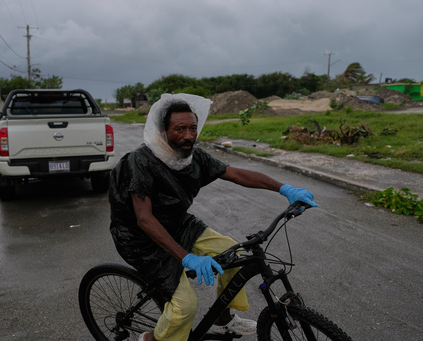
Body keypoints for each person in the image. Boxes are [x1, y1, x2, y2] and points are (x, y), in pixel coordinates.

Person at [109, 93, 318, 341]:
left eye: (192, 128)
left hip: (178, 225)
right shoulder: (140, 162)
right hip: (140, 240)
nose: (188, 135)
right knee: (185, 307)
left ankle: (223, 319)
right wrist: (188, 258)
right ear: (163, 131)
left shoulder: (193, 157)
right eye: (180, 129)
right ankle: (150, 339)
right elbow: (144, 219)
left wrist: (285, 189)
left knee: (235, 253)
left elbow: (238, 174)